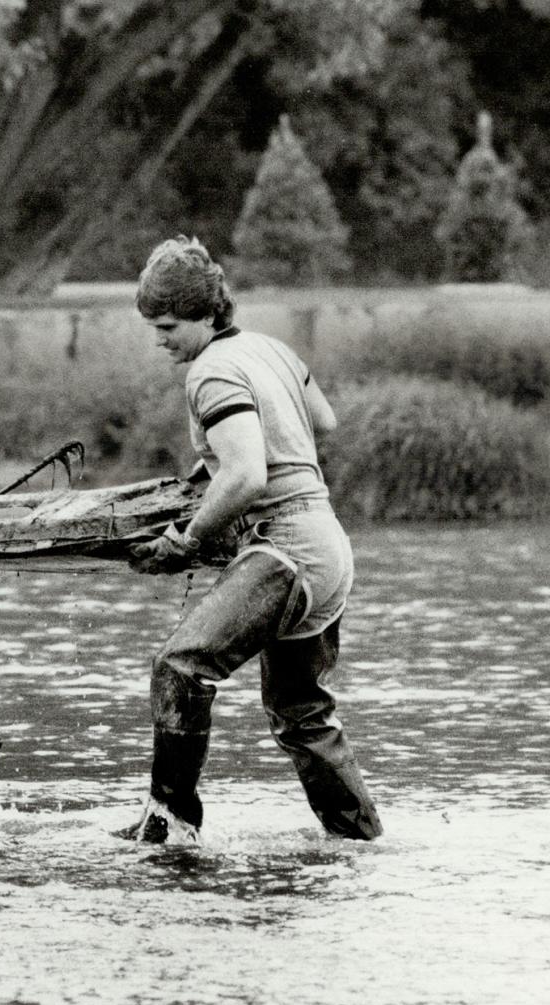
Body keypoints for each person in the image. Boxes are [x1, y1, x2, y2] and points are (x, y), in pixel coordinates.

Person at [123, 236, 383, 844]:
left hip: (286, 549)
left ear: (206, 314)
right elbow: (323, 420)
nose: (159, 339)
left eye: (167, 326)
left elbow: (245, 475)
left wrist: (185, 542)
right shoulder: (270, 349)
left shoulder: (210, 372)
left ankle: (169, 826)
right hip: (330, 549)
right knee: (302, 715)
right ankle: (362, 844)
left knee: (180, 668)